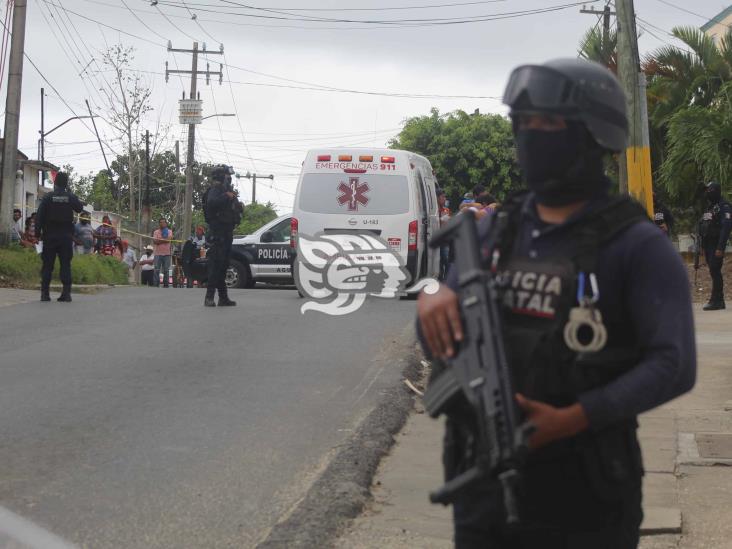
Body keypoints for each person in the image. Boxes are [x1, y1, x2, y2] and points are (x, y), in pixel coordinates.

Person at [417, 58, 696, 549]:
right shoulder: (490, 231)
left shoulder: (635, 244)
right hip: (481, 488)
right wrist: (433, 300)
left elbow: (674, 363)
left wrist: (577, 417)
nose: (530, 135)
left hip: (586, 497)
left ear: (593, 135)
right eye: (522, 123)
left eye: (546, 123)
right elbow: (443, 341)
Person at [34, 172, 84, 302]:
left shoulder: (48, 197)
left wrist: (37, 234)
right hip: (66, 237)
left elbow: (39, 216)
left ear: (55, 182)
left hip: (49, 236)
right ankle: (66, 294)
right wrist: (71, 194)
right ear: (66, 183)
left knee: (47, 265)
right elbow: (79, 208)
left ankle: (45, 294)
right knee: (65, 264)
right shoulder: (70, 197)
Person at [203, 164, 243, 306]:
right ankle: (209, 297)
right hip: (217, 233)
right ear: (221, 176)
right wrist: (226, 196)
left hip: (227, 233)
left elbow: (235, 209)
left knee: (223, 265)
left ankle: (223, 297)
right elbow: (212, 203)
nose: (230, 179)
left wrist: (237, 205)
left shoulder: (227, 190)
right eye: (228, 176)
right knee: (215, 266)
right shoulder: (216, 190)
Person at [698, 181, 732, 310]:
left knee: (715, 270)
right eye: (706, 190)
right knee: (713, 271)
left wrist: (720, 247)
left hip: (716, 244)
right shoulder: (709, 207)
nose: (707, 193)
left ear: (716, 191)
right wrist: (701, 245)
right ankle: (716, 299)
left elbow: (726, 227)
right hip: (708, 244)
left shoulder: (724, 206)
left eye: (709, 190)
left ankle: (718, 300)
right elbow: (703, 226)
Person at [152, 218, 173, 288]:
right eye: (160, 222)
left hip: (167, 254)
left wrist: (160, 240)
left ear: (166, 223)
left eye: (163, 222)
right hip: (157, 253)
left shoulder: (169, 231)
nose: (162, 224)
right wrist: (164, 240)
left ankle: (166, 285)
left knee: (166, 270)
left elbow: (168, 240)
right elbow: (155, 241)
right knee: (156, 270)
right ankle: (156, 285)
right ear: (159, 224)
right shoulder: (156, 232)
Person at [436, 188, 451, 281]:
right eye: (442, 197)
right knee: (439, 264)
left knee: (447, 262)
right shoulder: (434, 210)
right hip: (436, 240)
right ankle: (441, 281)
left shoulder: (446, 210)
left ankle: (447, 281)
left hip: (444, 240)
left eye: (445, 197)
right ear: (437, 198)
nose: (444, 199)